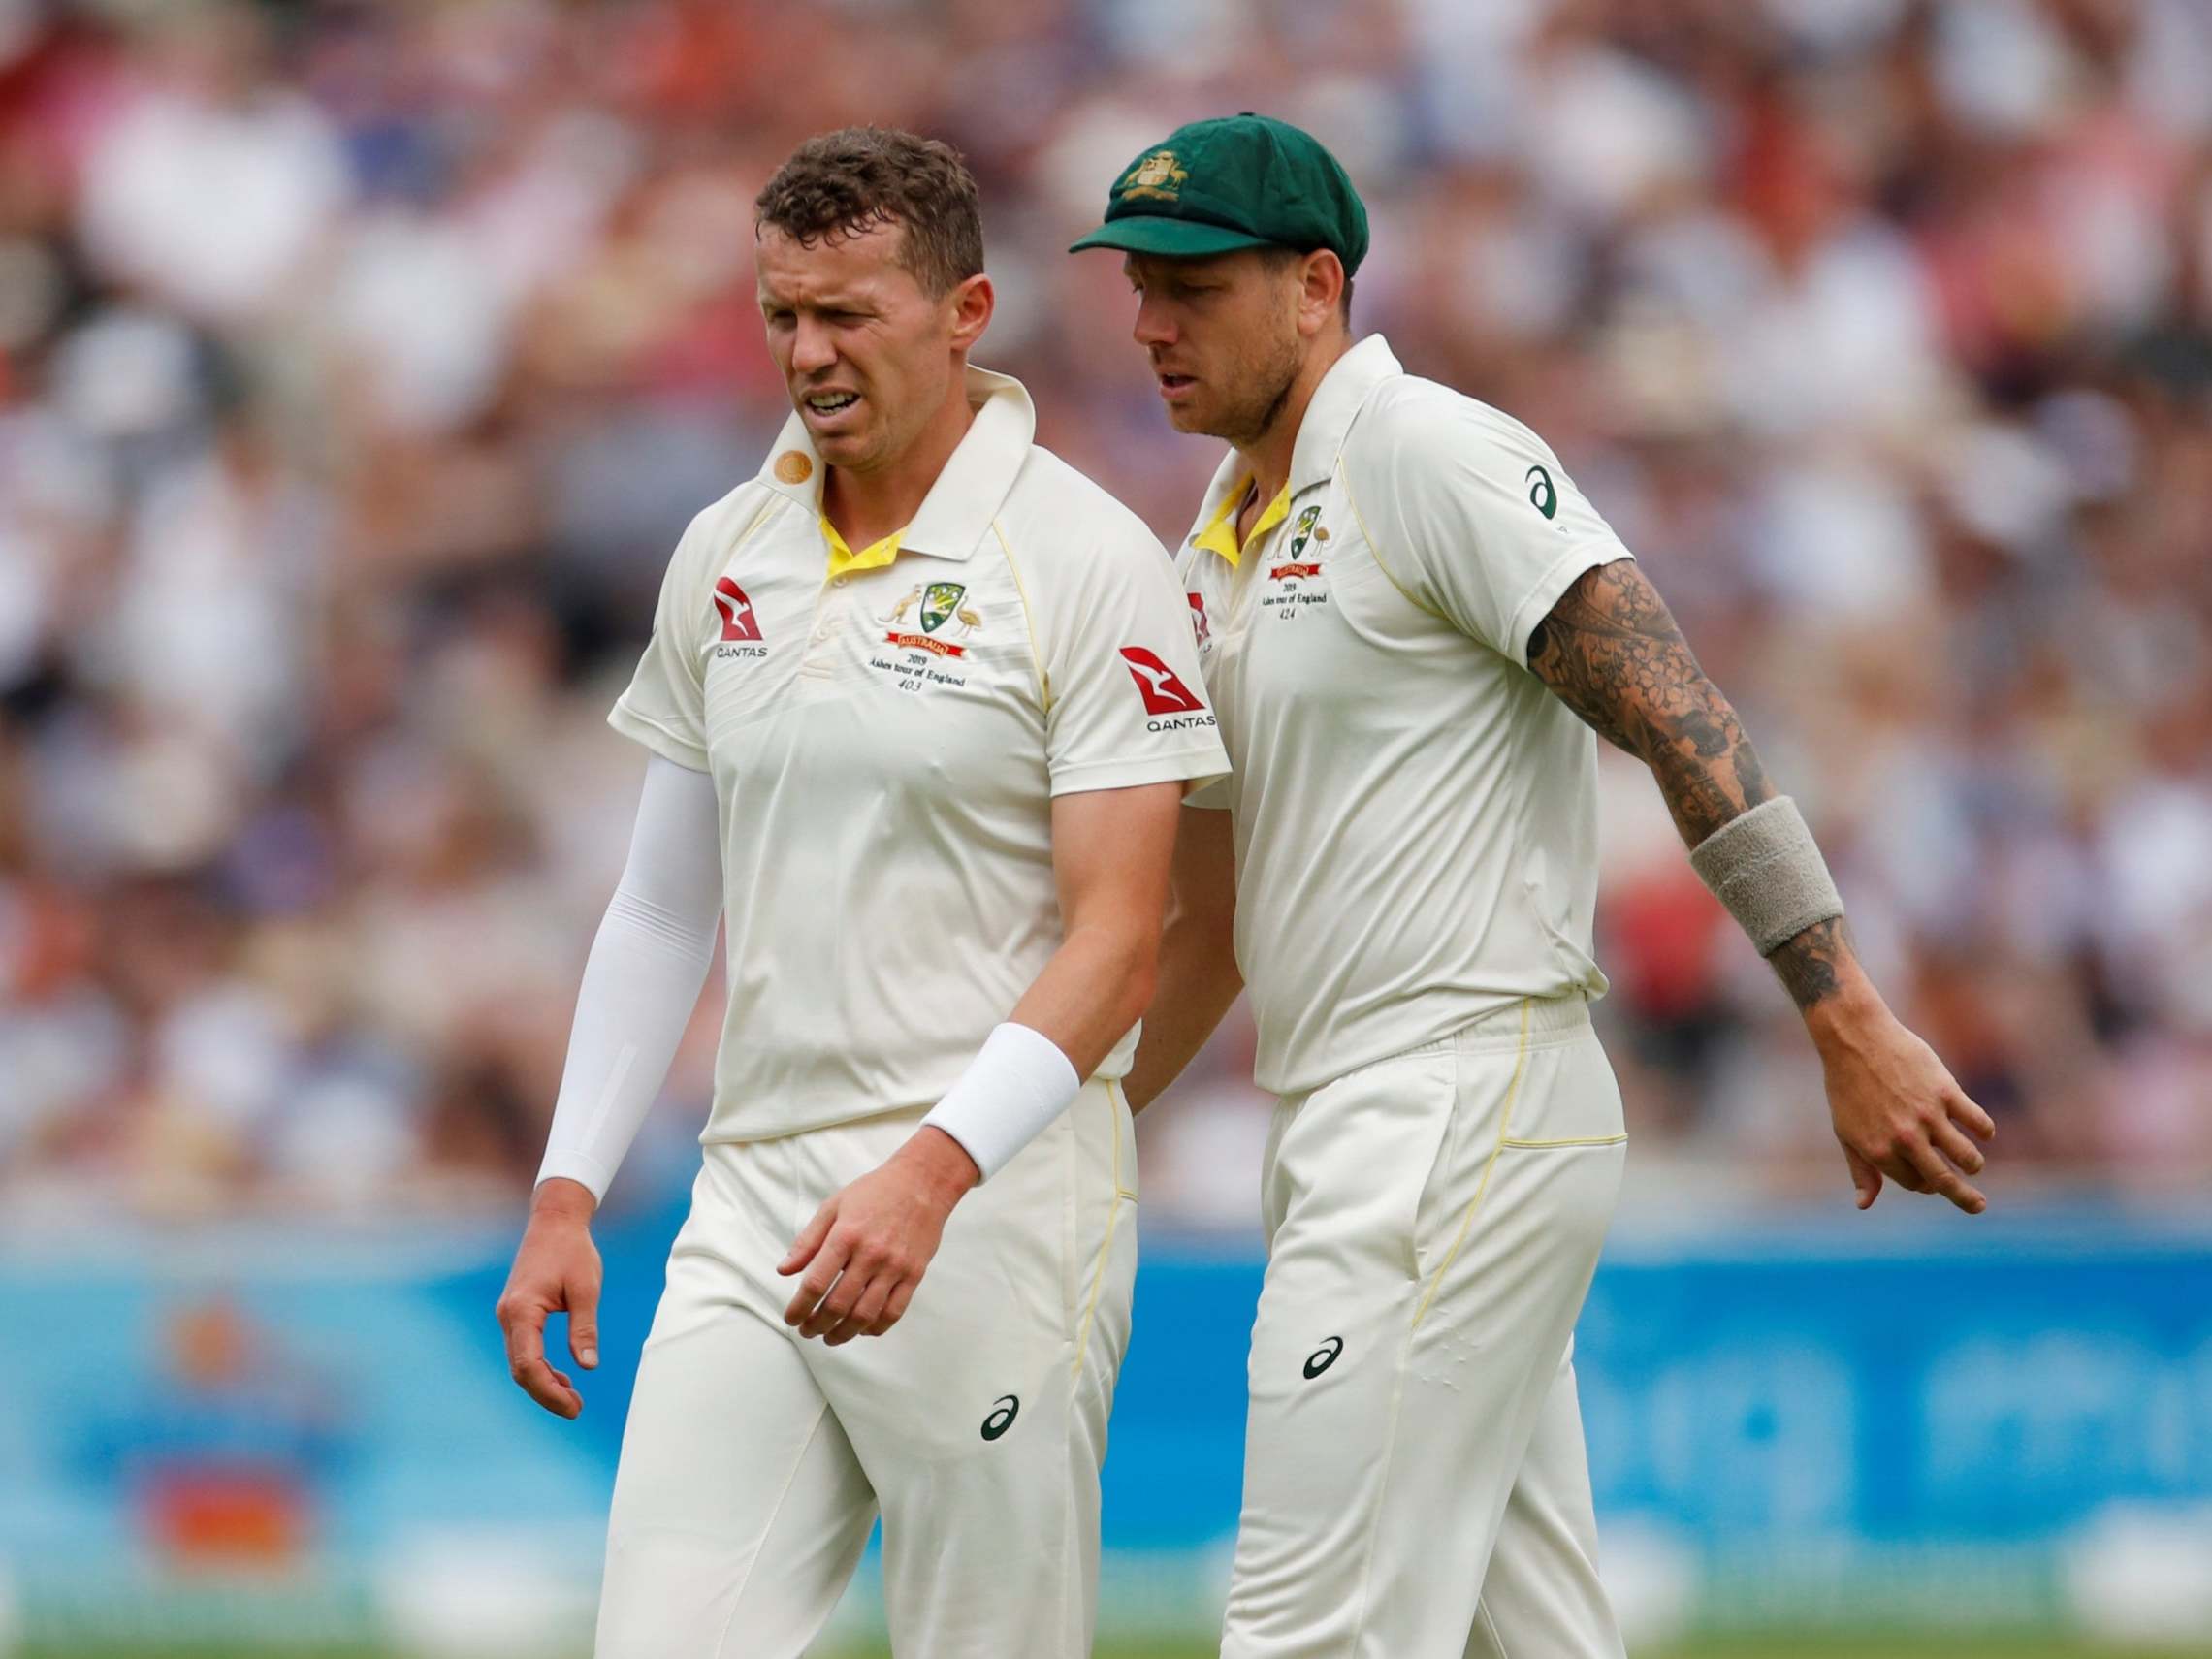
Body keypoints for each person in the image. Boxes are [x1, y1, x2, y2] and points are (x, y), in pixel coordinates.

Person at [1072, 113, 1997, 1659]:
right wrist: (1049, 1149)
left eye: (1195, 284)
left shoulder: (1427, 454)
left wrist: (1842, 1013)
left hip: (1455, 1102)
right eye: (1135, 286)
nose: (1152, 324)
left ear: (1315, 285)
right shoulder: (1212, 551)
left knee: (1309, 1635)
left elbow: (1676, 710)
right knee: (1534, 1638)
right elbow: (1209, 926)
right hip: (1358, 1120)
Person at [496, 126, 1228, 1659]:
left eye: (850, 315)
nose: (808, 355)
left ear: (963, 314)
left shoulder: (1084, 560)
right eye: (781, 316)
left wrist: (931, 1173)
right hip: (751, 1201)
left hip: (994, 1209)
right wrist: (567, 1188)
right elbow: (656, 909)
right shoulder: (726, 551)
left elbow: (1119, 941)